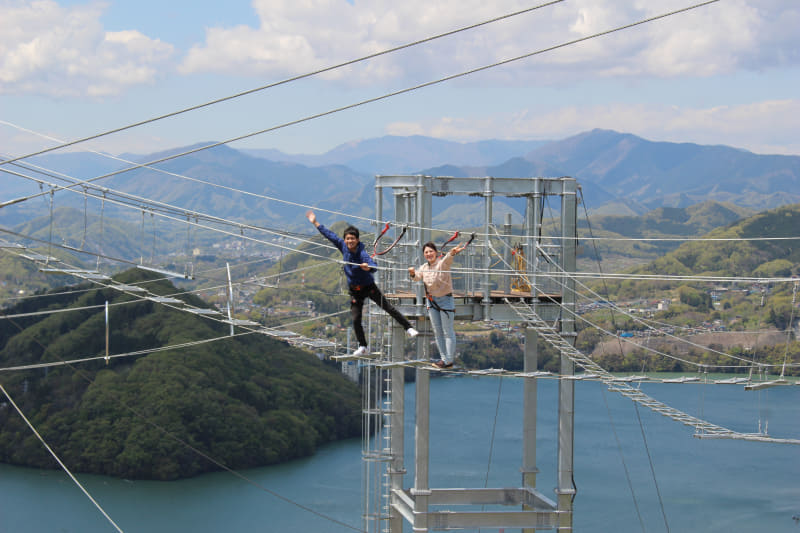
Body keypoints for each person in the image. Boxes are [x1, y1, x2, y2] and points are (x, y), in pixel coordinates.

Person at [307, 210, 418, 357]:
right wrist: (315, 222)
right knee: (356, 319)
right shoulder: (342, 246)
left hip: (369, 287)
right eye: (347, 239)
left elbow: (374, 265)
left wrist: (369, 267)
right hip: (355, 291)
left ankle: (408, 328)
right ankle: (363, 346)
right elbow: (329, 235)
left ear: (357, 240)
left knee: (388, 307)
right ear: (345, 240)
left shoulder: (362, 253)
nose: (350, 241)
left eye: (352, 239)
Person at [408, 240, 466, 369]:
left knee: (447, 331)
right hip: (432, 301)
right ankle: (444, 359)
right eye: (426, 252)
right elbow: (417, 277)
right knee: (438, 332)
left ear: (436, 253)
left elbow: (447, 260)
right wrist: (412, 273)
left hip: (445, 300)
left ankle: (449, 360)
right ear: (424, 255)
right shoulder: (424, 267)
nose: (428, 254)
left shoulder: (441, 265)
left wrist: (452, 253)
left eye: (431, 251)